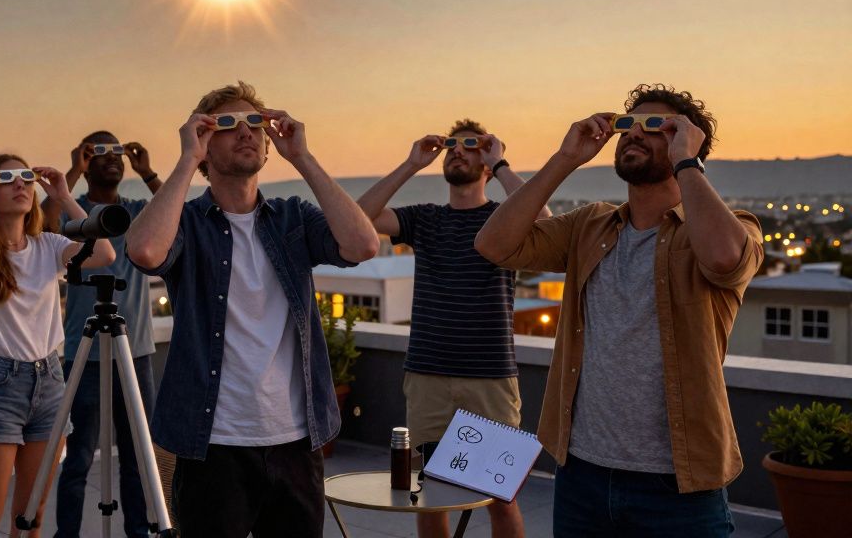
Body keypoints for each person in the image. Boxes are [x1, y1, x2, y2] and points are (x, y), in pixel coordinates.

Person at [474, 84, 764, 537]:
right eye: (628, 125)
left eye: (656, 126)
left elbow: (726, 258)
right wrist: (565, 158)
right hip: (582, 475)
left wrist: (688, 162)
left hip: (680, 484)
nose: (634, 133)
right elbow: (493, 245)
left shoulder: (729, 227)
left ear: (687, 140)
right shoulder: (589, 225)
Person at [126, 81, 379, 538]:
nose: (245, 131)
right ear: (205, 144)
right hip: (213, 444)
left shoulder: (292, 217)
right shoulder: (186, 222)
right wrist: (186, 159)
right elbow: (144, 250)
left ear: (267, 143)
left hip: (296, 440)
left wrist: (302, 157)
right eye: (227, 124)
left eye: (255, 123)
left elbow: (363, 244)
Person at [357, 119, 546, 538]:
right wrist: (411, 164)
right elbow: (358, 217)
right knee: (428, 494)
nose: (458, 151)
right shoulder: (424, 219)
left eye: (471, 145)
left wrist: (502, 164)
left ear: (486, 161)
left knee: (501, 497)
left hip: (490, 378)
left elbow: (546, 223)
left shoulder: (504, 219)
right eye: (452, 146)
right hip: (428, 376)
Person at [0, 155, 114, 538]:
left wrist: (65, 197)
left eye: (26, 176)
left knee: (30, 517)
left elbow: (105, 254)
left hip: (50, 382)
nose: (20, 183)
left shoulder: (48, 246)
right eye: (6, 177)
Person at [42, 133, 163, 538]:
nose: (112, 158)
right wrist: (72, 171)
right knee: (77, 458)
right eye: (100, 153)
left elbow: (177, 214)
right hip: (86, 353)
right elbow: (40, 224)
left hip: (135, 352)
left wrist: (148, 172)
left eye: (117, 152)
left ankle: (138, 532)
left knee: (137, 457)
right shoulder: (73, 214)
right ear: (86, 160)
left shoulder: (136, 212)